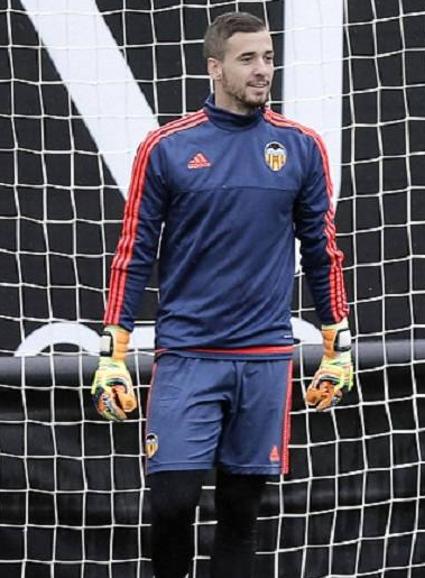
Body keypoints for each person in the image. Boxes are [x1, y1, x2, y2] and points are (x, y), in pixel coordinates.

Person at [91, 11, 354, 578]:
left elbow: (321, 250)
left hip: (263, 360)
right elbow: (133, 250)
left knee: (240, 514)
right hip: (188, 356)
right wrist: (112, 352)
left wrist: (337, 345)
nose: (263, 70)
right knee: (173, 505)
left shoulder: (301, 147)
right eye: (247, 59)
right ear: (215, 68)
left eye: (267, 57)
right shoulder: (166, 147)